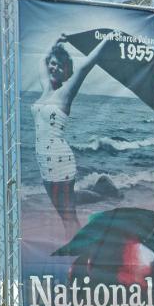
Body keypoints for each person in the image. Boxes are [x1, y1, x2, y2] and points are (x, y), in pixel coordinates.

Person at [33, 34, 113, 238]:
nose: (54, 68)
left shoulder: (65, 93)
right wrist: (56, 41)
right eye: (53, 64)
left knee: (68, 217)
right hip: (45, 161)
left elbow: (87, 65)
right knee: (64, 215)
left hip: (60, 162)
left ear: (65, 71)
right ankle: (80, 249)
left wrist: (108, 38)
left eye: (60, 66)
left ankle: (79, 257)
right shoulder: (45, 90)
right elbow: (42, 61)